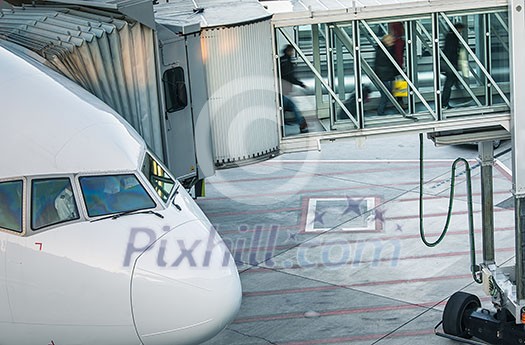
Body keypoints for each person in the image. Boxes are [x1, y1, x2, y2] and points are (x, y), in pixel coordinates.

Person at [280, 44, 308, 133]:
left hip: (282, 89)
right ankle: (301, 123)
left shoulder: (282, 61)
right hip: (285, 89)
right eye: (291, 51)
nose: (292, 53)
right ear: (288, 51)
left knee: (285, 107)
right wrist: (301, 84)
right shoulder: (286, 62)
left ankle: (300, 123)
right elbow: (290, 77)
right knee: (293, 107)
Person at [441, 22, 465, 109]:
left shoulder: (450, 36)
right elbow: (452, 51)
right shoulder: (453, 37)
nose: (461, 31)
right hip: (449, 63)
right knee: (449, 83)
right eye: (460, 29)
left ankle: (445, 102)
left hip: (448, 63)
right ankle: (444, 102)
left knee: (451, 81)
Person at [374, 34, 397, 115]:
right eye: (391, 41)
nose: (393, 42)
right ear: (386, 41)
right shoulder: (386, 50)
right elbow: (389, 62)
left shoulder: (381, 49)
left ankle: (383, 111)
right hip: (385, 75)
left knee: (389, 93)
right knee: (386, 94)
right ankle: (381, 112)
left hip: (385, 74)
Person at [389, 22, 406, 108]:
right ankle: (400, 102)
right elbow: (399, 55)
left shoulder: (393, 41)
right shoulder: (399, 42)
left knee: (398, 82)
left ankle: (399, 101)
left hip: (394, 65)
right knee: (400, 82)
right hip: (397, 65)